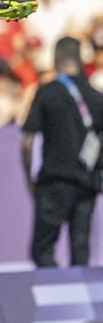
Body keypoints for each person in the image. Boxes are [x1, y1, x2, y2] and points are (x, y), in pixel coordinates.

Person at [22, 37, 103, 268]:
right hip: (87, 184)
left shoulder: (47, 92)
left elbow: (27, 143)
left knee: (43, 250)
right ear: (81, 60)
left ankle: (51, 298)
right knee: (80, 249)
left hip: (53, 183)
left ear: (56, 60)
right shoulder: (97, 97)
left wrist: (30, 181)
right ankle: (79, 299)